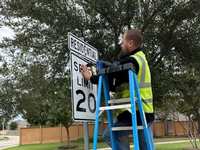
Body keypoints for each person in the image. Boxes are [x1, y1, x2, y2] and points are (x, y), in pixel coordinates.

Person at [80, 29, 154, 150]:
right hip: (144, 113)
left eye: (122, 41)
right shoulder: (140, 59)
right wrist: (97, 75)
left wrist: (93, 76)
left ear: (130, 43)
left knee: (110, 135)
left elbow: (116, 72)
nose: (120, 44)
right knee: (144, 147)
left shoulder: (133, 60)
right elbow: (114, 80)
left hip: (136, 112)